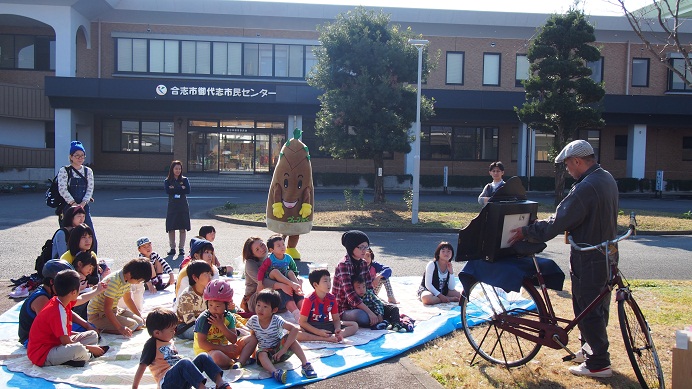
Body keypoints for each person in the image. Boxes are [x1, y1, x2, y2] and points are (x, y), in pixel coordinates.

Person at [507, 139, 619, 379]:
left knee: (588, 307)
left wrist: (527, 231)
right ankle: (589, 350)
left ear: (578, 161)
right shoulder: (606, 178)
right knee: (596, 305)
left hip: (589, 255)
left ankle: (598, 363)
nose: (567, 170)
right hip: (607, 252)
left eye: (567, 164)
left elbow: (559, 221)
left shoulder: (586, 187)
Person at [132, 307, 231, 389]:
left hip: (182, 380)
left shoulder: (169, 341)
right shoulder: (152, 344)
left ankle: (221, 383)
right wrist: (134, 387)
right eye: (171, 330)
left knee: (203, 357)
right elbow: (142, 366)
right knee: (185, 362)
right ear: (157, 333)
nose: (174, 332)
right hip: (167, 383)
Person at [27, 269, 107, 367]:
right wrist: (90, 348)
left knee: (92, 335)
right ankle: (83, 356)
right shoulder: (57, 311)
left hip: (56, 344)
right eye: (80, 288)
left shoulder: (60, 300)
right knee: (78, 349)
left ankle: (77, 357)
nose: (81, 290)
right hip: (43, 354)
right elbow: (66, 342)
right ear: (73, 292)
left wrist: (97, 290)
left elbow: (82, 298)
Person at [18, 259, 105, 348]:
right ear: (52, 282)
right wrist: (75, 335)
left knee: (90, 329)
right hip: (33, 339)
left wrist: (87, 325)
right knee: (83, 333)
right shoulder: (41, 299)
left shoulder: (54, 293)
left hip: (54, 331)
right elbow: (52, 327)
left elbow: (67, 309)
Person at [245, 289, 317, 384]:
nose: (260, 309)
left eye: (265, 306)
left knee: (292, 340)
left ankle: (305, 364)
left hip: (280, 352)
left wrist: (284, 348)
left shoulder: (276, 319)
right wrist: (253, 355)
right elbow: (253, 337)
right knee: (261, 353)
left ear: (274, 310)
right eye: (258, 305)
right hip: (266, 354)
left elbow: (294, 329)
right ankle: (275, 373)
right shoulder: (253, 320)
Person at [193, 279, 257, 370]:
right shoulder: (204, 319)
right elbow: (202, 344)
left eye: (218, 306)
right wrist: (224, 348)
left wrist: (221, 326)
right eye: (210, 305)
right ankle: (233, 362)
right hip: (208, 354)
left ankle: (240, 362)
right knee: (217, 356)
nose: (214, 309)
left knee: (252, 339)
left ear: (227, 305)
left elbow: (233, 339)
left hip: (226, 350)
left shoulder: (229, 317)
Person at [87, 258, 151, 337]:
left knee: (140, 322)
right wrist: (120, 328)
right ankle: (98, 328)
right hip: (98, 314)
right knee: (133, 326)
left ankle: (113, 326)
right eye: (139, 280)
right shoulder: (113, 281)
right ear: (130, 275)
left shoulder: (126, 279)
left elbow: (128, 299)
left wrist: (139, 316)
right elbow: (107, 309)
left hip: (113, 310)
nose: (138, 283)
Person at [240, 236, 302, 314]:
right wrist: (282, 285)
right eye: (257, 249)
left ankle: (304, 311)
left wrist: (295, 282)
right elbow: (263, 282)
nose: (262, 249)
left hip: (274, 292)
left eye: (262, 245)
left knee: (295, 289)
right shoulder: (250, 264)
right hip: (256, 297)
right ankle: (297, 314)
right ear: (252, 254)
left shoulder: (272, 256)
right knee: (282, 290)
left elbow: (288, 269)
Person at [331, 230, 378, 327]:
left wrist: (376, 304)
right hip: (345, 308)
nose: (364, 250)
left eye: (366, 247)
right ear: (351, 247)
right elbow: (350, 295)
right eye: (361, 247)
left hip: (364, 303)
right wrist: (370, 312)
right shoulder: (343, 264)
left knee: (388, 308)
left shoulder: (363, 263)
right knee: (362, 316)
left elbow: (369, 288)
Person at [57, 141, 97, 253]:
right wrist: (74, 205)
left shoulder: (88, 171)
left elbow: (90, 189)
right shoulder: (64, 171)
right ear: (71, 157)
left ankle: (92, 260)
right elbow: (62, 189)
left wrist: (83, 204)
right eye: (77, 155)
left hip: (84, 207)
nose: (80, 158)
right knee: (68, 234)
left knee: (89, 233)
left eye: (82, 155)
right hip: (68, 207)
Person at [298, 268, 358, 343]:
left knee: (354, 325)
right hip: (312, 326)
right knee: (296, 332)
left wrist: (337, 328)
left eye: (329, 280)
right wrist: (318, 332)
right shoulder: (309, 299)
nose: (329, 283)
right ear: (315, 284)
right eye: (325, 281)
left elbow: (336, 319)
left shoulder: (332, 298)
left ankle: (338, 336)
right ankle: (324, 338)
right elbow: (302, 322)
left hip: (326, 324)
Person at [257, 234, 303, 321]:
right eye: (278, 246)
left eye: (283, 244)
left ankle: (297, 287)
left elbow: (294, 269)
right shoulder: (270, 259)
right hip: (273, 277)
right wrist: (259, 283)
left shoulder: (288, 258)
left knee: (290, 272)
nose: (282, 247)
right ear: (271, 250)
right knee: (275, 271)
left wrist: (296, 278)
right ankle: (292, 284)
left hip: (285, 277)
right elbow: (261, 271)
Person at [177, 260, 213, 340]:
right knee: (202, 334)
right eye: (206, 274)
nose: (209, 276)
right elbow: (190, 321)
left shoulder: (209, 291)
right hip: (186, 327)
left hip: (205, 323)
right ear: (195, 278)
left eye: (209, 273)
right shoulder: (187, 295)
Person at [165, 160, 191, 257]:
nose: (178, 170)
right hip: (172, 206)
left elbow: (188, 190)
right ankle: (172, 248)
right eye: (176, 168)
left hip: (182, 205)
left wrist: (175, 188)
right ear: (172, 169)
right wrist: (181, 188)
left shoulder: (185, 179)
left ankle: (181, 248)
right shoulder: (167, 181)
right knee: (171, 227)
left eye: (179, 169)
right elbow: (168, 191)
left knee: (182, 227)